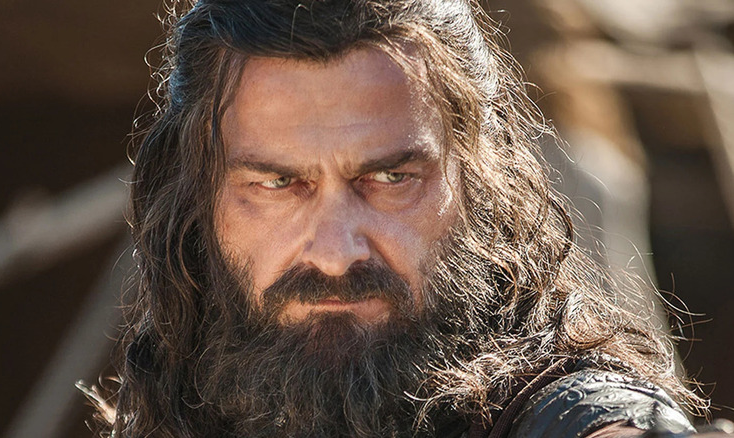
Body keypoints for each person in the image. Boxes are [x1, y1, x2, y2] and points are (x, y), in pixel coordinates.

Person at [89, 0, 725, 437]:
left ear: (479, 185)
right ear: (198, 202)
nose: (336, 252)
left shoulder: (563, 411)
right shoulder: (193, 398)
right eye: (279, 183)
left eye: (391, 179)